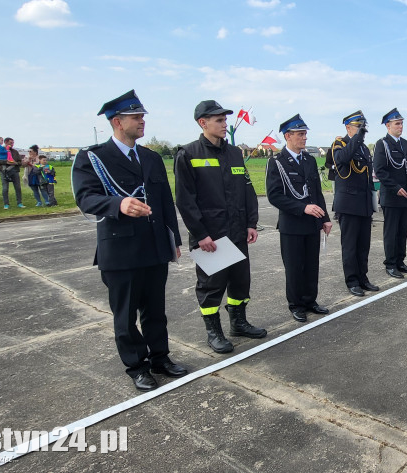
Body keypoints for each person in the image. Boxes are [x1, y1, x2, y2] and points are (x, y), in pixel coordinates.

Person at [72, 90, 187, 392]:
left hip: (153, 247)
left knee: (155, 310)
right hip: (120, 250)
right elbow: (85, 198)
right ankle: (137, 366)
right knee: (125, 316)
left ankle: (160, 358)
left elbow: (164, 202)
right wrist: (118, 205)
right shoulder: (93, 158)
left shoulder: (150, 158)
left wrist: (172, 238)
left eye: (142, 116)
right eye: (136, 117)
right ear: (117, 122)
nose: (142, 121)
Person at [174, 100, 267, 353]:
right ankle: (213, 331)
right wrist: (200, 233)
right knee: (212, 286)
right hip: (211, 236)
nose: (225, 124)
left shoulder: (234, 153)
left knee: (240, 282)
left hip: (237, 231)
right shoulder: (189, 154)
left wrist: (251, 223)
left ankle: (238, 323)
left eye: (225, 120)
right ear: (203, 123)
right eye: (219, 120)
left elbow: (248, 190)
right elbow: (185, 200)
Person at [267, 114, 332, 323]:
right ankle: (296, 304)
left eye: (305, 134)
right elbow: (274, 195)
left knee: (311, 265)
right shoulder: (277, 162)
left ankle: (310, 300)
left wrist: (325, 218)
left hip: (312, 224)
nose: (304, 138)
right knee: (295, 267)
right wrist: (302, 208)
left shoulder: (310, 160)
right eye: (300, 134)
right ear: (288, 136)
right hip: (292, 224)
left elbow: (316, 192)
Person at [332, 111, 380, 297]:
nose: (362, 130)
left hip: (364, 204)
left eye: (363, 127)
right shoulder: (340, 144)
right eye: (358, 126)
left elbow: (368, 177)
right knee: (350, 246)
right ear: (348, 127)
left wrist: (372, 200)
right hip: (349, 204)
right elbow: (343, 159)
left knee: (363, 245)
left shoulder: (364, 149)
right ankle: (352, 280)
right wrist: (357, 137)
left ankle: (363, 277)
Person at [373, 108, 407, 278]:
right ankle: (390, 264)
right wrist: (395, 187)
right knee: (391, 233)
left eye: (402, 123)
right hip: (392, 196)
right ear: (387, 125)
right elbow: (380, 170)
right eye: (397, 124)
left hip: (406, 197)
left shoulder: (405, 144)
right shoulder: (382, 144)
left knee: (402, 231)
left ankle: (400, 261)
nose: (400, 127)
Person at [0, 137, 24, 209]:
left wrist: (16, 163)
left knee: (18, 187)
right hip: (4, 171)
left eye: (13, 143)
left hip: (14, 171)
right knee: (5, 188)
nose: (12, 144)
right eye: (11, 143)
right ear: (6, 142)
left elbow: (20, 162)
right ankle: (6, 204)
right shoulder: (0, 150)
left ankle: (19, 203)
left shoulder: (15, 152)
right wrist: (6, 162)